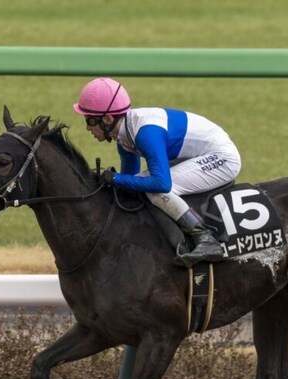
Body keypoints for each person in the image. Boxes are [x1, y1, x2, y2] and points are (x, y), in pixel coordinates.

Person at [73, 77, 241, 266]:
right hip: (197, 155)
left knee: (156, 191)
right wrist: (110, 183)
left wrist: (116, 178)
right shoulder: (123, 137)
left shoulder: (146, 133)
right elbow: (130, 183)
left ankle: (205, 238)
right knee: (138, 184)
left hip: (222, 158)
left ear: (108, 118)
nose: (87, 127)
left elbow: (162, 183)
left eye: (90, 120)